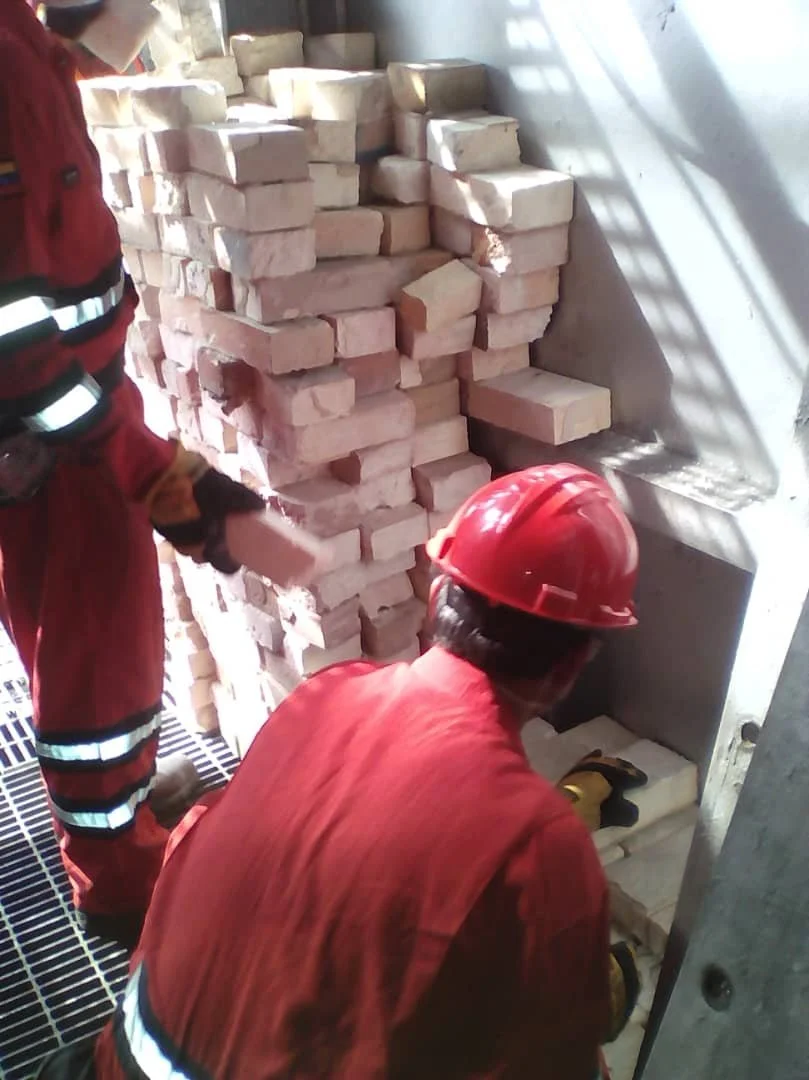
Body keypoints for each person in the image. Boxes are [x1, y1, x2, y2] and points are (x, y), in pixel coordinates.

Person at [39, 463, 648, 1079]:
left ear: (437, 595)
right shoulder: (538, 849)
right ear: (572, 667)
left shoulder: (326, 694)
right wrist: (593, 992)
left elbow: (374, 853)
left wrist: (546, 826)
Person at [0, 0, 265, 950]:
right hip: (55, 431)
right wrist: (155, 476)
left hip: (61, 421)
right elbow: (15, 336)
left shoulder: (21, 38)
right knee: (101, 671)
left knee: (58, 636)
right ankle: (123, 886)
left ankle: (117, 817)